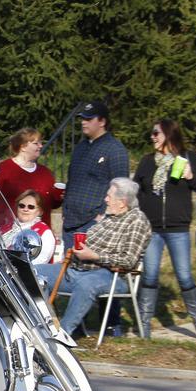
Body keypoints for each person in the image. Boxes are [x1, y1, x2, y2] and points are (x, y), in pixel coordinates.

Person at [35, 178, 151, 338]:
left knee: (86, 284)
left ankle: (62, 336)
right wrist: (76, 251)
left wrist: (94, 256)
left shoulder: (137, 220)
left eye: (109, 196)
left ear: (122, 202)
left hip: (113, 276)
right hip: (78, 269)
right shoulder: (108, 218)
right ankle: (42, 325)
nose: (105, 199)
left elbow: (128, 261)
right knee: (35, 272)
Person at [134, 119, 196, 341]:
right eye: (151, 133)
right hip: (152, 228)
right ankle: (145, 324)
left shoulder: (189, 158)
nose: (152, 136)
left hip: (178, 228)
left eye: (156, 133)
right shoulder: (148, 162)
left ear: (169, 134)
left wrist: (191, 176)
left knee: (185, 276)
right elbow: (137, 191)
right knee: (149, 275)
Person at [63, 100, 130, 335]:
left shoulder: (115, 149)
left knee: (100, 272)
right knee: (72, 274)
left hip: (95, 221)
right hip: (72, 220)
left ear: (102, 121)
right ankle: (79, 326)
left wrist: (105, 216)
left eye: (89, 118)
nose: (83, 122)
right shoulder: (81, 147)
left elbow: (122, 187)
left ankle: (111, 324)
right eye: (82, 118)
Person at [0, 127, 62, 229]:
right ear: (23, 146)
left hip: (39, 234)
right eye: (36, 143)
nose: (41, 146)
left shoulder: (45, 173)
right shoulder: (4, 168)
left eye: (40, 143)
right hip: (8, 234)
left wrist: (59, 197)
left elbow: (51, 204)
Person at [0, 190, 56, 265]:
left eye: (31, 207)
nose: (25, 209)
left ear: (40, 211)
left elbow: (40, 262)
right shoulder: (6, 227)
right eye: (21, 206)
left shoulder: (44, 232)